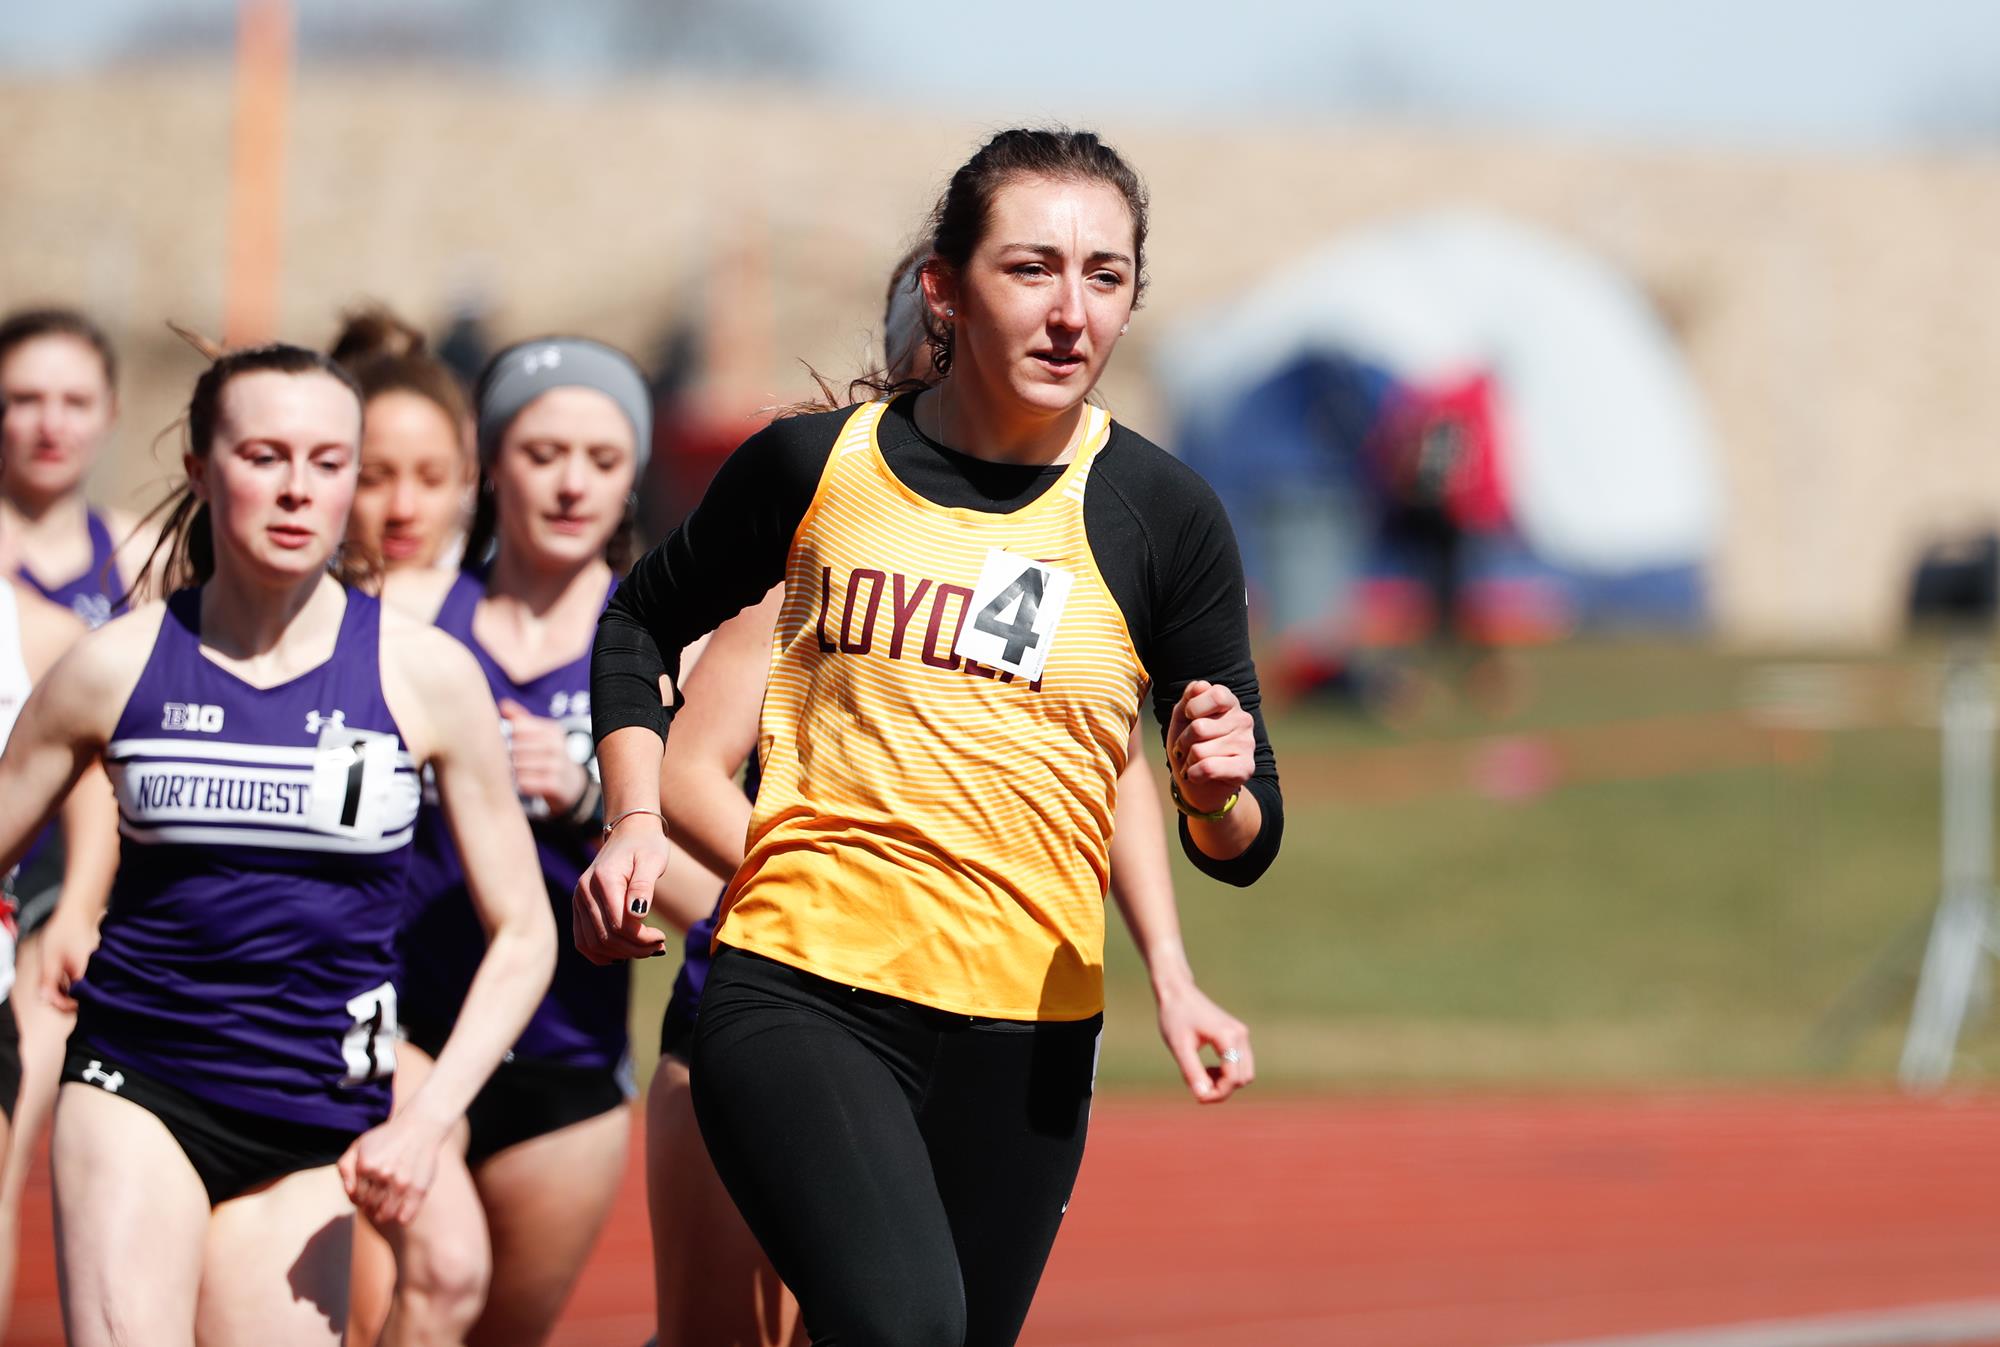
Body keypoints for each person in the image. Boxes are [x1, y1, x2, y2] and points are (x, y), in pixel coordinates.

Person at [580, 128, 1282, 1346]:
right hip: (804, 986)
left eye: (1104, 277)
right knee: (902, 1329)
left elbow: (1242, 838)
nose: (1070, 312)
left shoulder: (1164, 517)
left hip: (1028, 1033)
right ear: (944, 289)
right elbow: (637, 620)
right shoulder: (814, 469)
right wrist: (634, 815)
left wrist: (1214, 791)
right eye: (1031, 269)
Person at [0, 339, 556, 1346]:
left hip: (316, 1119)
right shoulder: (112, 666)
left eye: (328, 461)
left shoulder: (426, 675)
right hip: (138, 1085)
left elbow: (525, 931)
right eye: (264, 457)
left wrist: (428, 1120)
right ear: (201, 470)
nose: (299, 488)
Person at [350, 335, 714, 1347]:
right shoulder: (405, 617)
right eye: (542, 453)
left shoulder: (672, 651)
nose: (570, 484)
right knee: (403, 1306)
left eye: (602, 459)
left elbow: (715, 900)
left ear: (633, 473)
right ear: (491, 464)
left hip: (567, 1067)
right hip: (397, 1035)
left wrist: (596, 796)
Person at [0, 307, 134, 1338]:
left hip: (105, 891)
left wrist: (81, 907)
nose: (51, 423)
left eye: (74, 400)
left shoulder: (138, 555)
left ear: (109, 413)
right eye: (25, 399)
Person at [331, 305, 479, 575]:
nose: (403, 510)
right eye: (373, 479)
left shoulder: (494, 597)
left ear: (467, 476)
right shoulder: (299, 598)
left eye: (432, 479)